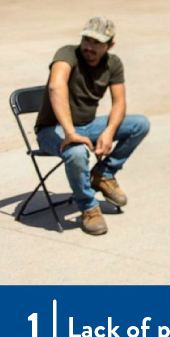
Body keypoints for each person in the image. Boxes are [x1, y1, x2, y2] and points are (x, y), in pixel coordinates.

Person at [35, 17, 150, 235]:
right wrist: (70, 133)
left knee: (140, 124)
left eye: (97, 43)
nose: (89, 47)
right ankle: (88, 207)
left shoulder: (113, 63)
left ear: (110, 45)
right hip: (54, 129)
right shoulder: (67, 54)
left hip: (88, 126)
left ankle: (103, 173)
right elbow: (56, 87)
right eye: (86, 40)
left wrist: (108, 132)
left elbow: (119, 102)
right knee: (77, 151)